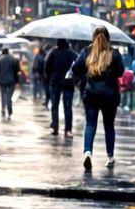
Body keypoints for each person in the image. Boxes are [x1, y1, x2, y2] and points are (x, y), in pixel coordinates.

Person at [71, 26, 125, 172]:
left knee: (90, 124)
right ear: (108, 38)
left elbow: (76, 69)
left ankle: (88, 151)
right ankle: (110, 156)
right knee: (109, 126)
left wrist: (85, 71)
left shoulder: (87, 52)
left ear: (93, 37)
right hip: (109, 95)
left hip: (91, 94)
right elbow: (121, 72)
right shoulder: (114, 54)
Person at [43, 38, 78, 136]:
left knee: (55, 106)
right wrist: (76, 79)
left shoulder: (53, 52)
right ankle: (68, 129)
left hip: (55, 82)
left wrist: (50, 76)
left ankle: (55, 127)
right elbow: (79, 66)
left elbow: (47, 67)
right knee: (68, 107)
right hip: (68, 83)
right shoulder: (72, 54)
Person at [0, 48, 22, 120]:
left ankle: (3, 108)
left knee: (3, 95)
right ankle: (9, 108)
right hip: (11, 81)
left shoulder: (0, 60)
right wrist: (17, 82)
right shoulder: (13, 59)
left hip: (2, 81)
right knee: (9, 96)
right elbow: (17, 71)